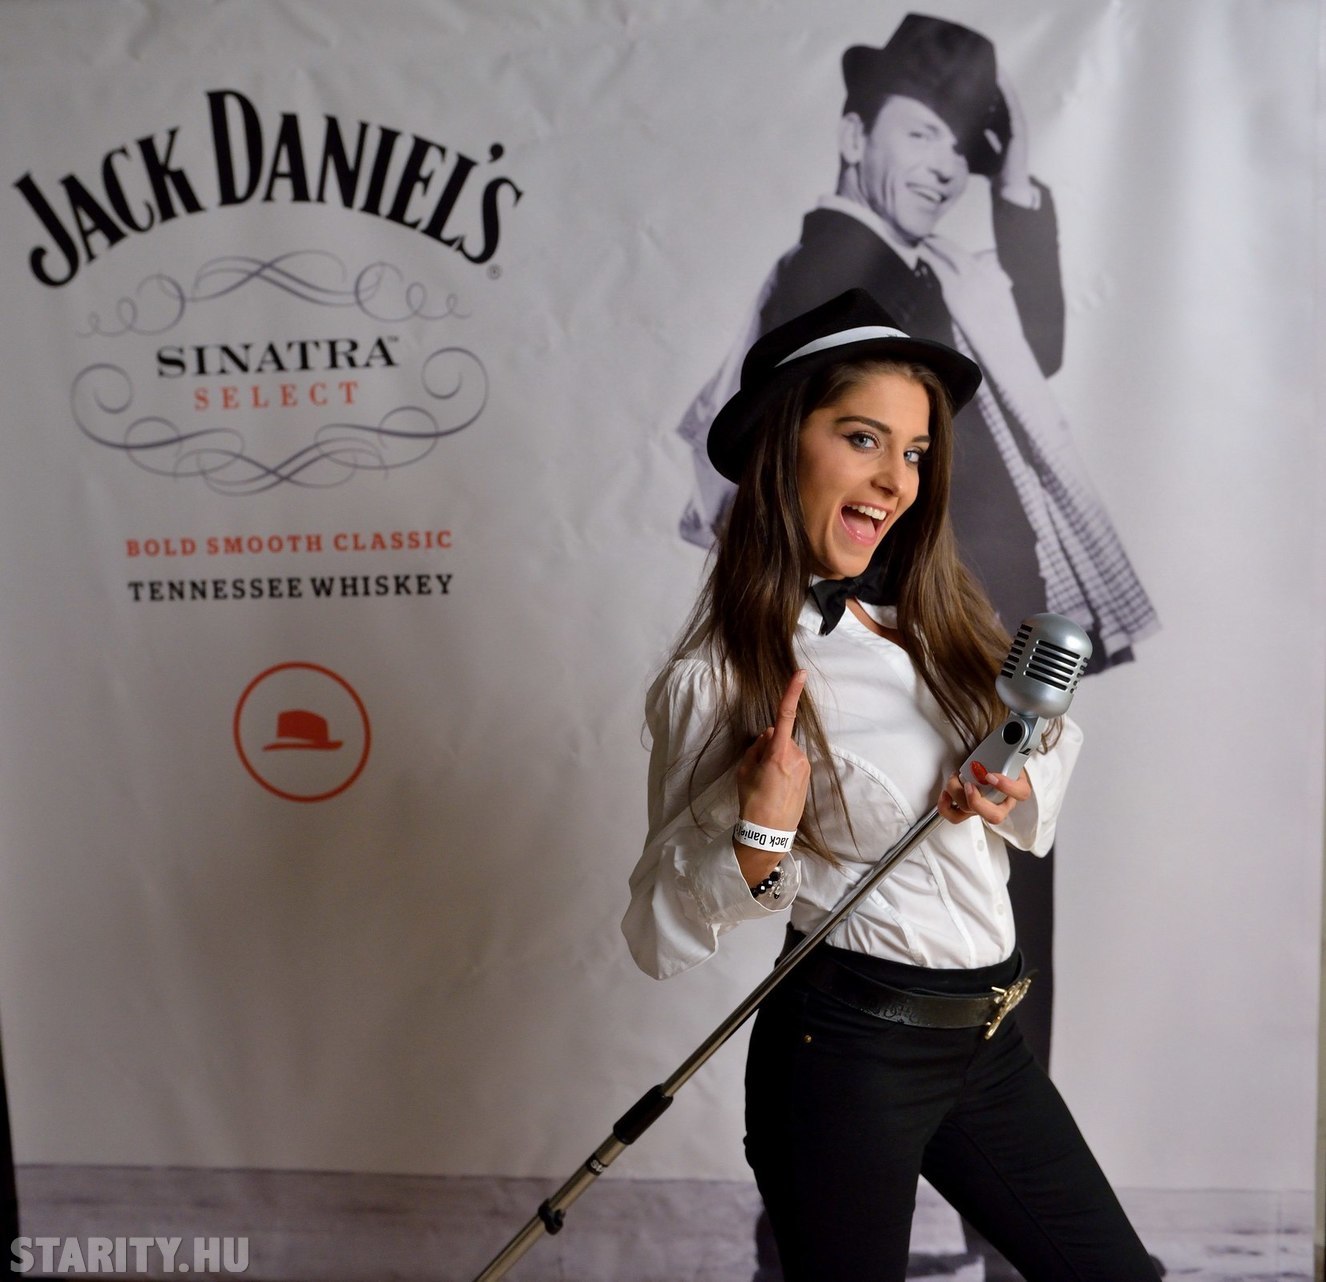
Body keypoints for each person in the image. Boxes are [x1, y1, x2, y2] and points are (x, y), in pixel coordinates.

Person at [673, 30, 1160, 1272]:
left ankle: (981, 1240)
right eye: (862, 439)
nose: (898, 476)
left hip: (980, 1034)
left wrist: (1016, 767)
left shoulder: (933, 623)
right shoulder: (837, 268)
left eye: (916, 449)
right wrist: (765, 827)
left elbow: (1034, 341)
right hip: (848, 1045)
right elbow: (682, 915)